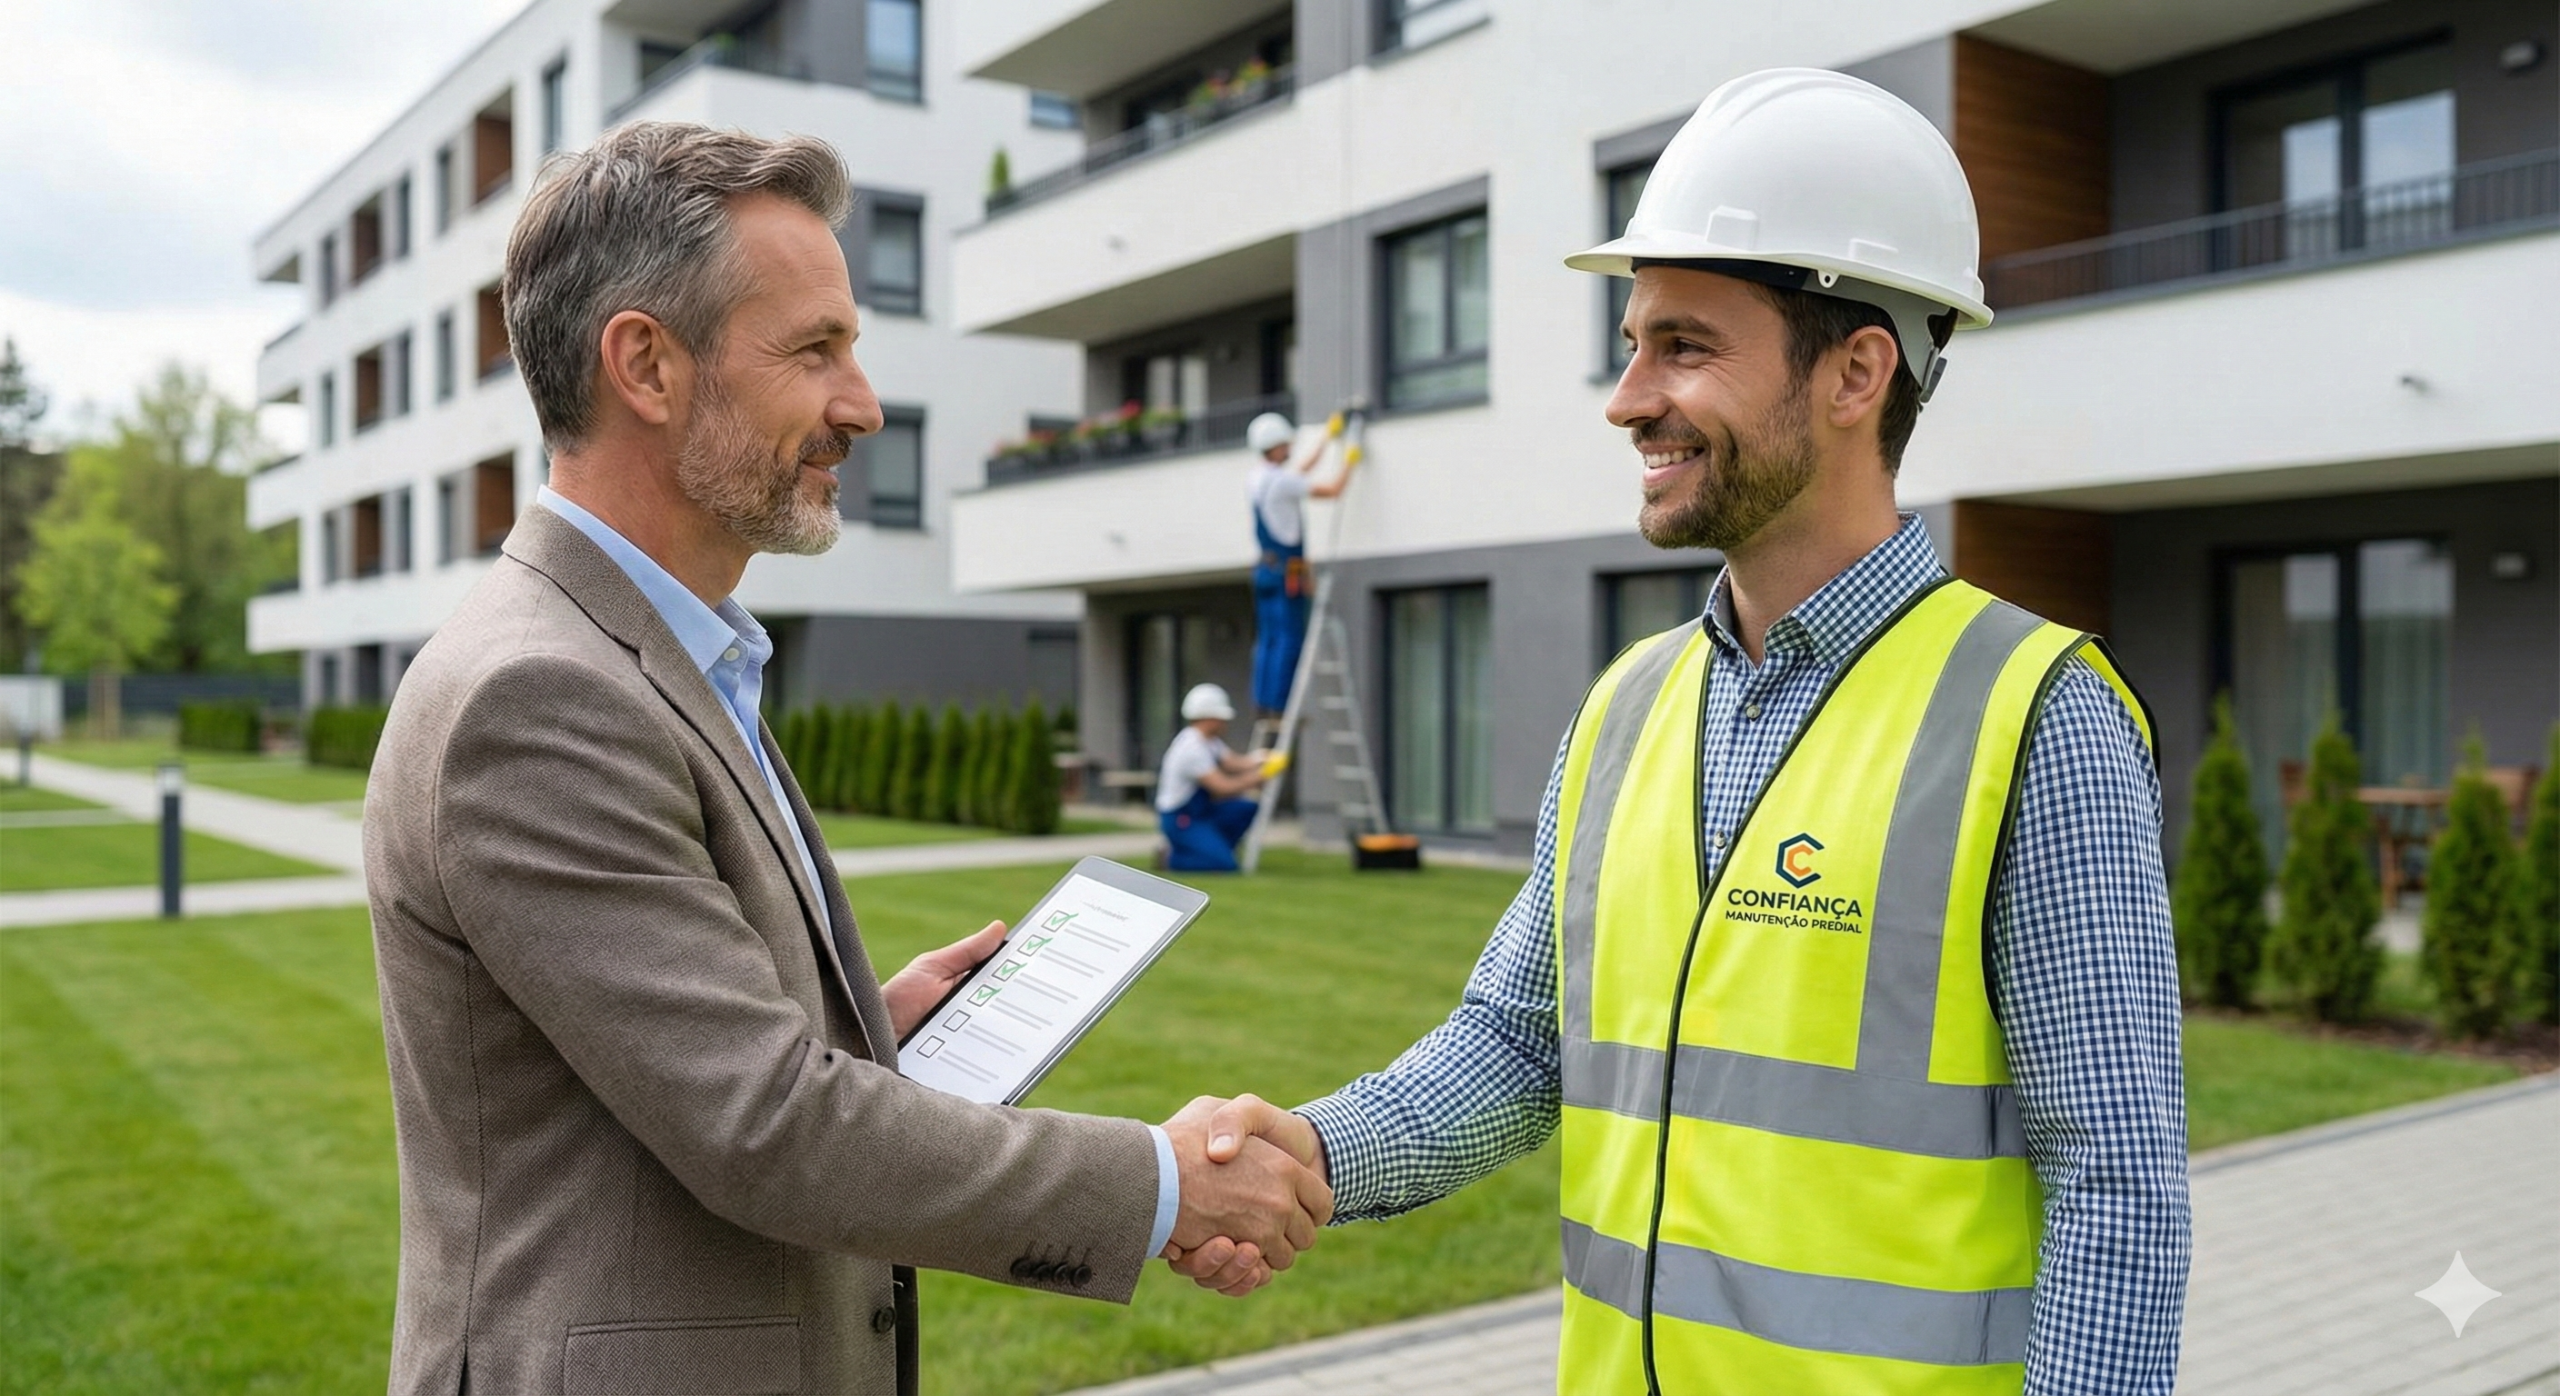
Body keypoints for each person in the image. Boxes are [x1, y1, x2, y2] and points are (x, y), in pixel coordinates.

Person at [1168, 70, 2191, 1393]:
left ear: (1856, 372)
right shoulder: (1628, 706)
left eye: (1685, 346)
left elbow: (2117, 1186)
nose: (1627, 396)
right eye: (1636, 340)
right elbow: (1518, 1044)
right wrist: (1311, 1152)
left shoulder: (2036, 720)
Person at [362, 123, 1327, 1396]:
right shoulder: (537, 696)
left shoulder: (663, 654)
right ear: (645, 364)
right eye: (815, 348)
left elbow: (706, 1055)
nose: (861, 404)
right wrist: (1160, 1183)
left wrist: (859, 1033)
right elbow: (766, 1126)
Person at [1246, 411, 1352, 715]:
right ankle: (1281, 705)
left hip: (1264, 569)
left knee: (1268, 638)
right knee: (1290, 636)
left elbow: (1299, 473)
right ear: (1277, 446)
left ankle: (1264, 702)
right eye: (1286, 443)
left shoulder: (1257, 478)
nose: (1290, 448)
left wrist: (1325, 440)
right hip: (1286, 570)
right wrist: (1351, 460)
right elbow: (1333, 490)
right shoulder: (1282, 482)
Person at [1156, 682, 1276, 873]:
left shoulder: (1210, 742)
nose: (1225, 723)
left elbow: (1233, 763)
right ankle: (1172, 858)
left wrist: (1261, 758)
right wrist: (1256, 779)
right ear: (1209, 718)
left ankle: (1216, 848)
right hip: (1182, 819)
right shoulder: (1192, 748)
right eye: (1221, 718)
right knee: (1224, 866)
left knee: (1246, 808)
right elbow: (1221, 786)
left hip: (1203, 812)